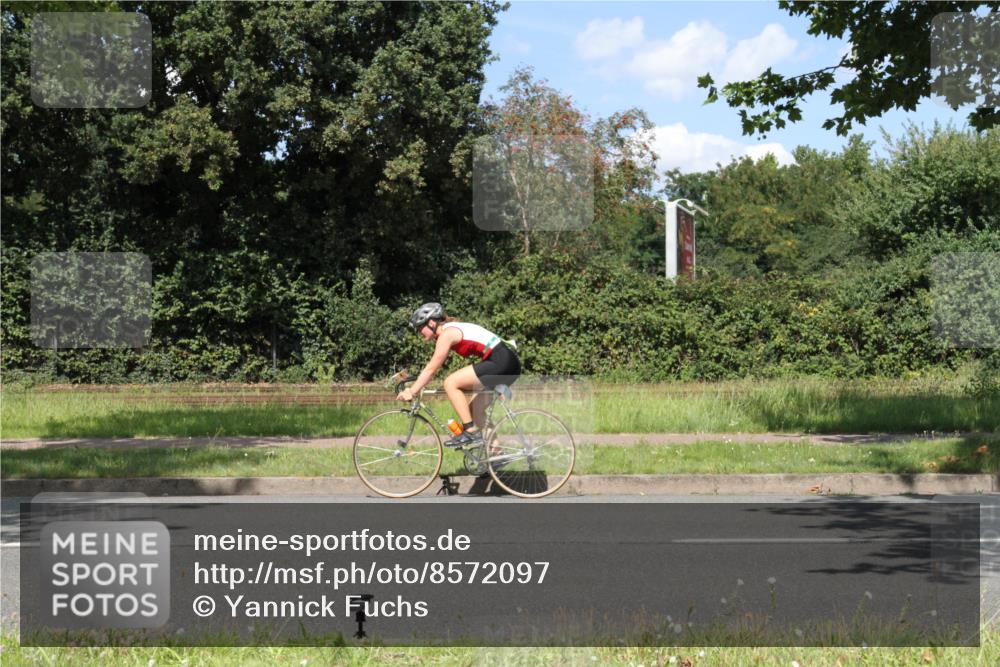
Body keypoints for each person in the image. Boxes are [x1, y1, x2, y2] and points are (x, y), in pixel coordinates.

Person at [397, 302, 520, 447]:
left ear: (431, 323)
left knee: (450, 382)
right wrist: (418, 380)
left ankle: (470, 431)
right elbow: (432, 368)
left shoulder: (447, 334)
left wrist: (412, 391)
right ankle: (496, 454)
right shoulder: (450, 330)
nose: (419, 332)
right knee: (476, 410)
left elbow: (431, 370)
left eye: (420, 328)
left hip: (501, 360)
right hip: (507, 361)